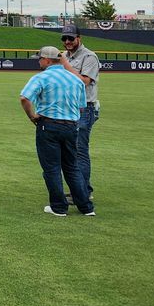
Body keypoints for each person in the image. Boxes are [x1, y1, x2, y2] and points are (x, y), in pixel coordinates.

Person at [19, 46, 95, 217]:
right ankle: (86, 207)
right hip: (71, 126)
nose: (39, 61)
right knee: (72, 167)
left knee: (52, 168)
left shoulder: (42, 77)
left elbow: (24, 98)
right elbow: (82, 106)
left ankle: (59, 207)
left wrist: (32, 117)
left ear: (47, 60)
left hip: (48, 125)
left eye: (40, 59)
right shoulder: (75, 79)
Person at [60, 25, 101, 205]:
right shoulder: (65, 56)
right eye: (64, 39)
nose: (67, 42)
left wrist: (65, 65)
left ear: (79, 38)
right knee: (69, 151)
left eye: (70, 38)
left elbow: (84, 81)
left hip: (85, 109)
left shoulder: (89, 56)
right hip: (68, 109)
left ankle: (83, 192)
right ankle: (79, 190)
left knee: (80, 151)